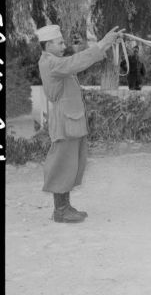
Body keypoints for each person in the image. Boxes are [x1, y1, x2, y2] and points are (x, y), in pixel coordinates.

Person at [37, 24, 124, 223]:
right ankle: (60, 211)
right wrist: (102, 44)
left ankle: (65, 207)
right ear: (48, 44)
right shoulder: (50, 62)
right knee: (62, 164)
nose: (63, 45)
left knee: (71, 164)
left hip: (70, 120)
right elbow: (77, 61)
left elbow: (75, 61)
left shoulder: (55, 61)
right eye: (59, 42)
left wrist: (104, 45)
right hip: (65, 122)